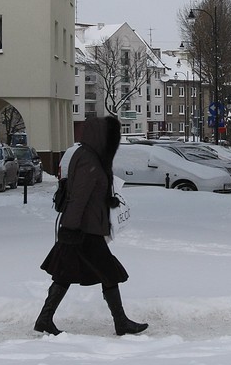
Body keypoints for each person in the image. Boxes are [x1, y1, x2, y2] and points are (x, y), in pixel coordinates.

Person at [35, 115, 148, 336]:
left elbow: (89, 191)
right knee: (109, 272)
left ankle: (44, 319)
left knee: (65, 274)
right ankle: (121, 323)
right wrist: (71, 228)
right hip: (83, 230)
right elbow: (79, 196)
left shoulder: (86, 154)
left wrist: (107, 200)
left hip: (82, 227)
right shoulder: (89, 159)